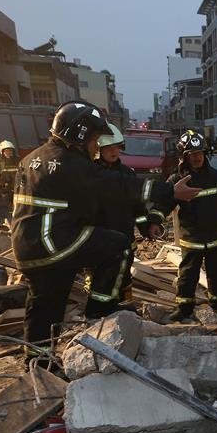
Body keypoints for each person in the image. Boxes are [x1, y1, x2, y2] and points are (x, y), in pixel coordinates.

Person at [11, 101, 200, 345]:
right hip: (54, 243)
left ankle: (38, 360)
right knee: (119, 245)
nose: (95, 147)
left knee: (45, 306)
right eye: (94, 139)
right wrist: (169, 192)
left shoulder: (32, 159)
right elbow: (118, 187)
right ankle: (99, 311)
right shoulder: (70, 164)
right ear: (80, 135)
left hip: (29, 246)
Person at [154, 130, 217, 321]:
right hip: (192, 239)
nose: (197, 157)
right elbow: (162, 205)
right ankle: (184, 308)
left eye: (200, 153)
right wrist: (154, 222)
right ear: (184, 157)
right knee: (188, 275)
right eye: (192, 154)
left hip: (216, 237)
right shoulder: (177, 181)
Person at [92, 124, 163, 305]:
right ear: (98, 149)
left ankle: (125, 307)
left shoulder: (126, 173)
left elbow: (137, 207)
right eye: (109, 148)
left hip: (124, 237)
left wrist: (145, 228)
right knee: (99, 278)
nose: (114, 151)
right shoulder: (89, 173)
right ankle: (99, 311)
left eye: (117, 147)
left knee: (124, 275)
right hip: (99, 238)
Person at [0, 140, 19, 221]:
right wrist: (0, 181)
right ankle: (13, 222)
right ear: (2, 152)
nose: (8, 152)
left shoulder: (19, 161)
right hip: (7, 190)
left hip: (19, 188)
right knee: (11, 209)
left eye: (10, 150)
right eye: (6, 151)